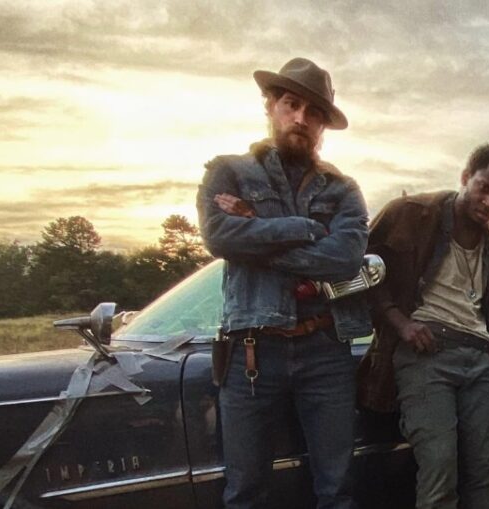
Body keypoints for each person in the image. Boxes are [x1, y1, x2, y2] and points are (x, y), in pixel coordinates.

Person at [196, 57, 370, 509]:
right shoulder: (228, 173)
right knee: (245, 493)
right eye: (291, 105)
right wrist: (306, 228)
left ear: (323, 126)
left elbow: (345, 258)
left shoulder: (343, 189)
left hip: (326, 349)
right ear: (270, 106)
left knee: (337, 490)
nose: (301, 119)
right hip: (251, 352)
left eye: (314, 113)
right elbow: (220, 237)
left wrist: (256, 227)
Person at [356, 144, 489, 509]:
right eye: (484, 188)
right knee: (439, 468)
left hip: (482, 359)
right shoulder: (410, 213)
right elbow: (363, 269)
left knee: (485, 469)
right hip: (426, 353)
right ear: (465, 178)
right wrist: (401, 324)